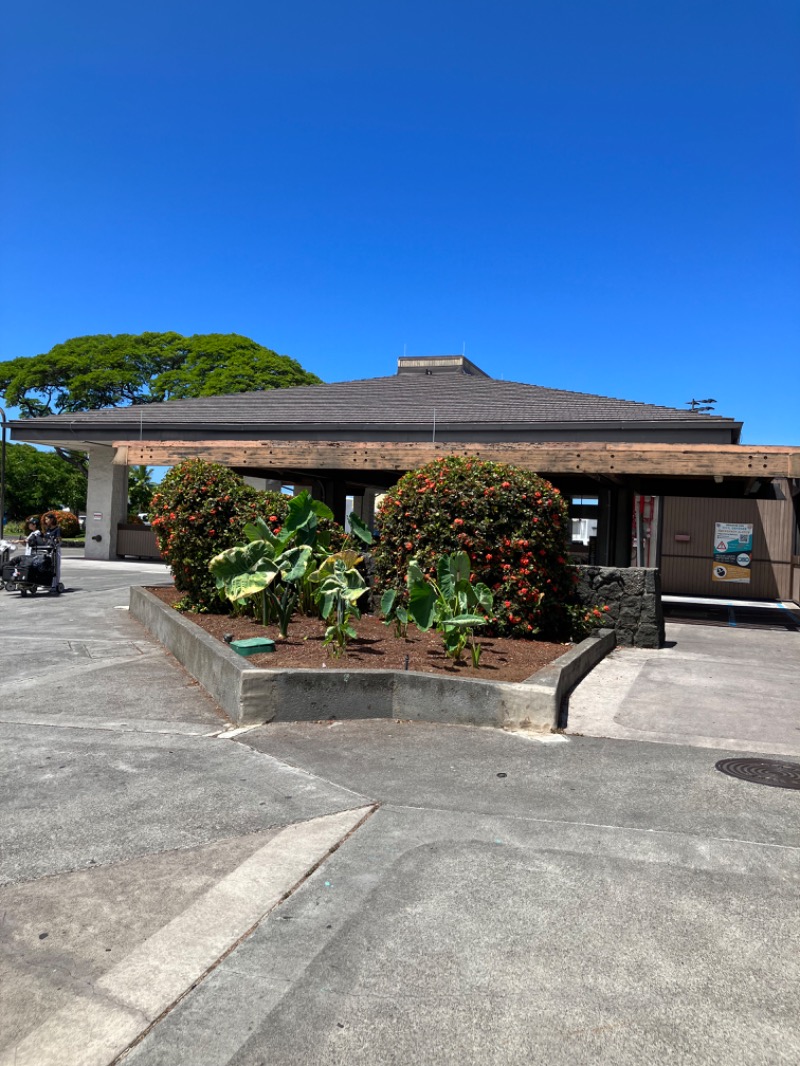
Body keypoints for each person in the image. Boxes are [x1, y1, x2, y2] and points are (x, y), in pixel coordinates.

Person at [42, 513, 63, 594]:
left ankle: (55, 583)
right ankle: (48, 582)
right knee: (48, 567)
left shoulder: (57, 529)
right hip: (47, 550)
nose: (46, 521)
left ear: (52, 520)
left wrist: (56, 541)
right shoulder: (47, 529)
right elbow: (44, 539)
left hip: (55, 550)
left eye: (47, 519)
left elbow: (59, 540)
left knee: (56, 567)